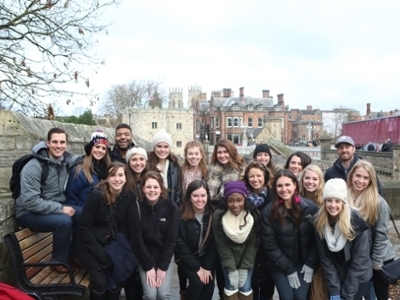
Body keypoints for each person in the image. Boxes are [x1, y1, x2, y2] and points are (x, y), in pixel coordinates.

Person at [15, 128, 81, 273]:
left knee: (82, 213)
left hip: (50, 208)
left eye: (62, 142)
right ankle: (58, 261)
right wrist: (60, 209)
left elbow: (79, 159)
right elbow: (30, 201)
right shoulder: (34, 166)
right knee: (64, 221)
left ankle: (72, 253)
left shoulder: (63, 161)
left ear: (66, 144)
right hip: (28, 213)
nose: (59, 146)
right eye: (55, 142)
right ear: (47, 143)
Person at [76, 161, 136, 300]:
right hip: (90, 246)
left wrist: (116, 249)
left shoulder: (128, 196)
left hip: (112, 243)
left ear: (126, 178)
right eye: (113, 175)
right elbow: (85, 228)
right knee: (100, 281)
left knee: (117, 277)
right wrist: (100, 254)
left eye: (120, 175)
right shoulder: (96, 196)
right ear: (107, 178)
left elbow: (125, 226)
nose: (117, 179)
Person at [260, 169, 319, 300]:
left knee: (300, 296)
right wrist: (288, 268)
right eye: (280, 186)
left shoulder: (310, 207)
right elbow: (270, 245)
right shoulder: (268, 212)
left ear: (295, 185)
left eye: (287, 185)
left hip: (304, 263)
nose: (284, 189)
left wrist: (310, 263)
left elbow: (317, 239)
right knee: (287, 296)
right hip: (280, 264)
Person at [314, 178, 372, 300]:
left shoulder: (356, 223)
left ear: (343, 202)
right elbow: (325, 259)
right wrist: (335, 290)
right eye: (329, 200)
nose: (333, 205)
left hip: (357, 276)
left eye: (337, 201)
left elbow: (359, 262)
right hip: (335, 273)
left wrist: (347, 295)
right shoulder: (319, 222)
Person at [347, 160, 395, 300]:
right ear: (351, 176)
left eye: (365, 178)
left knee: (377, 296)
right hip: (358, 258)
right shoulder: (344, 198)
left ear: (371, 180)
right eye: (358, 176)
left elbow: (381, 235)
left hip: (378, 259)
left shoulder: (379, 203)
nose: (360, 181)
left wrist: (375, 264)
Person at [130, 171, 179, 300]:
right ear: (143, 189)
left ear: (161, 189)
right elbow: (137, 240)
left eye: (156, 187)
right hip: (145, 255)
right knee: (150, 295)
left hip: (164, 253)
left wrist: (162, 267)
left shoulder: (171, 207)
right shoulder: (136, 208)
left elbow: (171, 240)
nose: (152, 190)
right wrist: (149, 267)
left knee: (163, 294)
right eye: (148, 187)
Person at [212, 180, 259, 300]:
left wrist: (244, 268)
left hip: (246, 258)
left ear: (245, 199)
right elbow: (221, 244)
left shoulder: (252, 215)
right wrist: (231, 269)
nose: (235, 205)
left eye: (239, 200)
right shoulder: (219, 215)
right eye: (230, 200)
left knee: (245, 286)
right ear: (226, 200)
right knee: (231, 286)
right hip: (228, 258)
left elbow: (253, 244)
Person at [175, 180, 217, 300]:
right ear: (189, 197)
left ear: (208, 196)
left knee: (208, 285)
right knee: (197, 283)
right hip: (186, 258)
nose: (199, 199)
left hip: (206, 257)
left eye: (203, 195)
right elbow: (180, 245)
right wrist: (198, 268)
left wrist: (207, 267)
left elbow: (214, 244)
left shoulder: (213, 215)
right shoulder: (180, 216)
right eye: (195, 196)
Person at [178, 140, 208, 299]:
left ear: (201, 155)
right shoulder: (181, 171)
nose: (193, 156)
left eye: (196, 153)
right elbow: (177, 190)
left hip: (200, 207)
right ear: (185, 155)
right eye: (190, 154)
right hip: (185, 210)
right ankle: (183, 290)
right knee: (183, 253)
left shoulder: (205, 172)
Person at [242, 161, 274, 300]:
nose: (255, 179)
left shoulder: (273, 196)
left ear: (265, 177)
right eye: (252, 176)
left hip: (268, 250)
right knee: (251, 287)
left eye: (259, 176)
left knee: (267, 289)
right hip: (249, 249)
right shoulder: (242, 197)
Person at [298, 164, 328, 300]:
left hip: (318, 256)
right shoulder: (295, 198)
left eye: (315, 179)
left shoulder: (325, 202)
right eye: (307, 178)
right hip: (298, 254)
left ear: (320, 181)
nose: (310, 182)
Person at [124, 146, 149, 300]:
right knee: (130, 272)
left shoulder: (150, 178)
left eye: (141, 159)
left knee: (142, 269)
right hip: (128, 231)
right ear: (129, 162)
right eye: (134, 159)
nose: (138, 163)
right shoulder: (125, 180)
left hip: (145, 231)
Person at [66, 129, 111, 207]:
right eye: (97, 147)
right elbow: (71, 201)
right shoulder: (79, 171)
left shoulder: (107, 170)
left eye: (103, 148)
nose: (100, 150)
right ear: (91, 148)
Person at [207, 139, 246, 207]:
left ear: (231, 152)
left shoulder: (239, 169)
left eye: (225, 152)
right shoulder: (212, 168)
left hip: (231, 207)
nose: (222, 155)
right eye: (219, 152)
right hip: (211, 206)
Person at [148, 129, 181, 206]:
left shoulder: (175, 166)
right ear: (154, 147)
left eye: (166, 147)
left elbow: (178, 191)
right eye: (159, 146)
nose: (162, 150)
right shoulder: (147, 165)